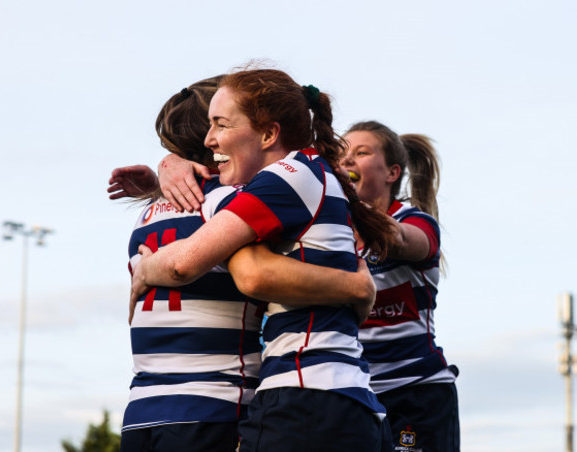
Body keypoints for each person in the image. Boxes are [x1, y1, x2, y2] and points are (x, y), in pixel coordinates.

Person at [129, 68, 394, 451]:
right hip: (336, 392)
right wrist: (169, 167)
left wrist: (147, 267)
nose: (211, 138)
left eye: (221, 124)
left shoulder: (285, 177)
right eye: (208, 126)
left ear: (269, 133)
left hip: (303, 397)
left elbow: (205, 267)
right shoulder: (308, 172)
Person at [341, 120, 459, 452]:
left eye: (361, 152)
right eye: (342, 153)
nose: (348, 160)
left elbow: (404, 240)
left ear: (392, 173)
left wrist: (354, 209)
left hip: (417, 392)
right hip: (357, 394)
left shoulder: (415, 220)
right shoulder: (334, 231)